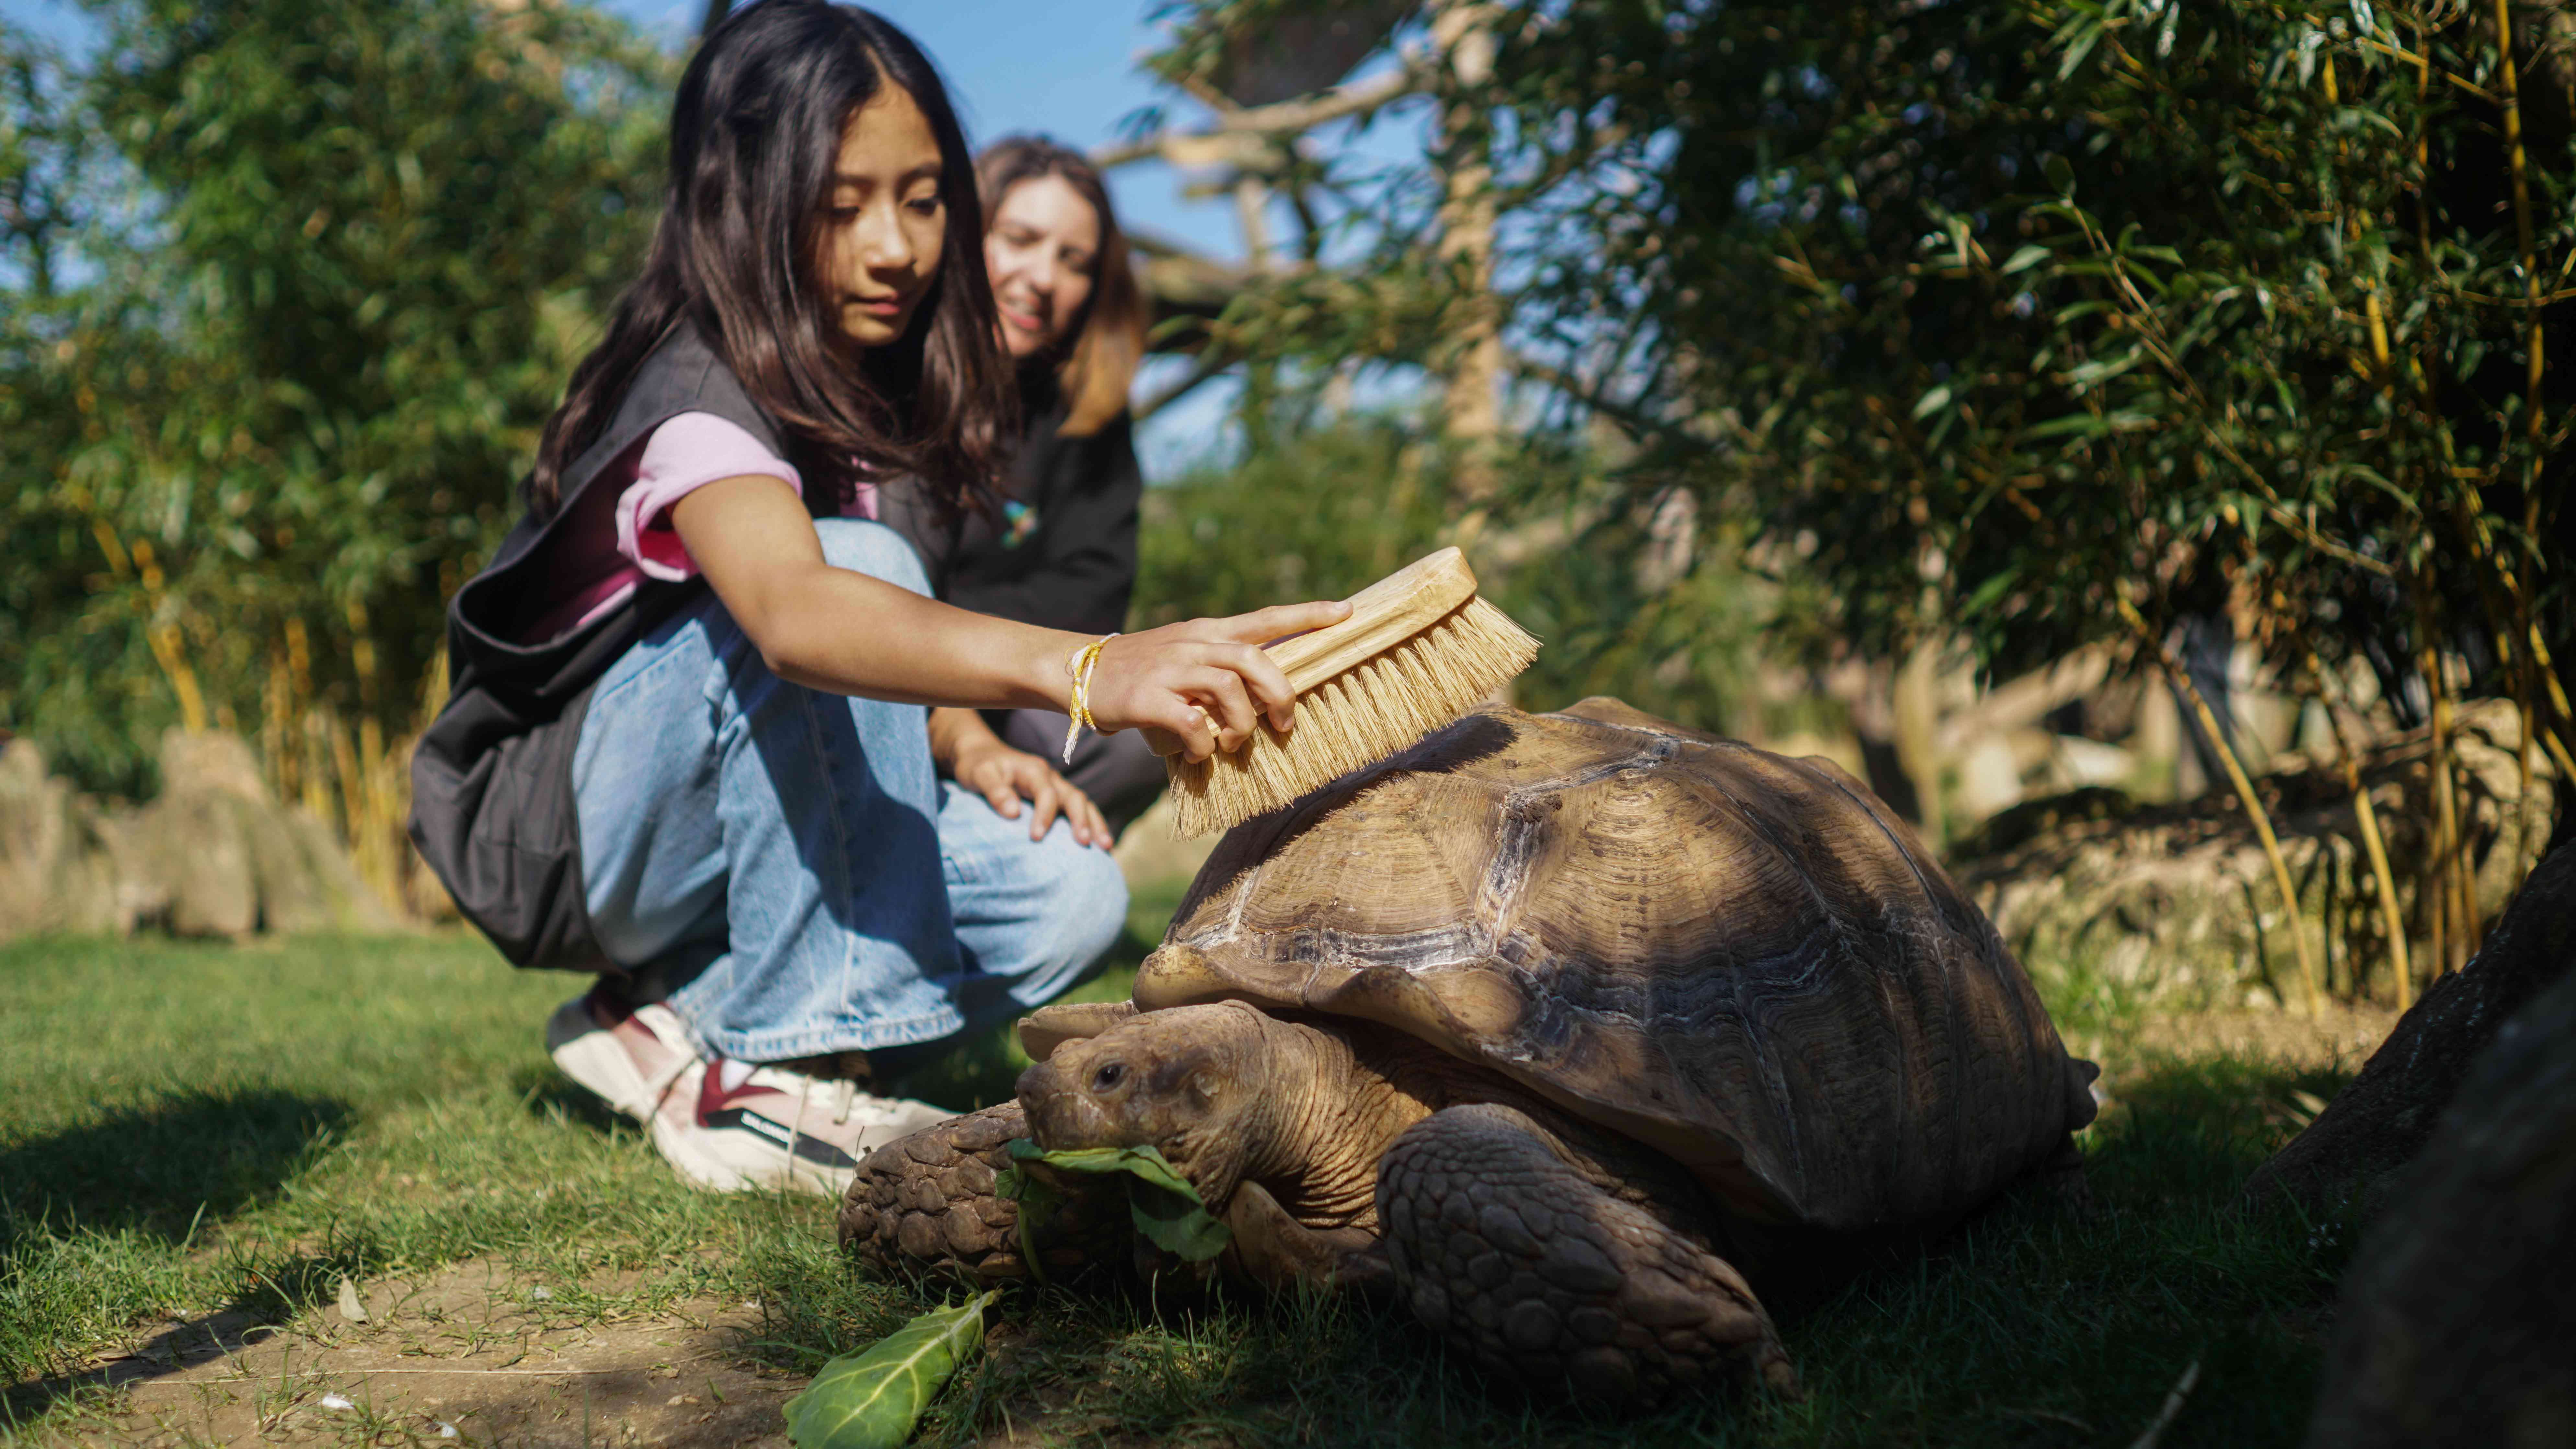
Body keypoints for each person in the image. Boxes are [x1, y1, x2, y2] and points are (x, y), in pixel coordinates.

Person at [408, 0, 1345, 1198]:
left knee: (1068, 894)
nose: (896, 247)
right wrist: (1091, 669)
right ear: (737, 200)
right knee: (853, 571)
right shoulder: (695, 383)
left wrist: (962, 739)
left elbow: (857, 656)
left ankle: (668, 1024)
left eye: (920, 197)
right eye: (841, 205)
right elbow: (800, 613)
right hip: (574, 840)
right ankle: (783, 1075)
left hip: (697, 834)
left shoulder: (874, 388)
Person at [945, 137, 1166, 834]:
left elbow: (1093, 590)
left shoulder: (1086, 413)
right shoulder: (889, 375)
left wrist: (942, 615)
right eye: (1020, 239)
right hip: (874, 682)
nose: (1043, 277)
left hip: (1016, 693)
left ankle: (1019, 855)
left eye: (1074, 262)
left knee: (1143, 739)